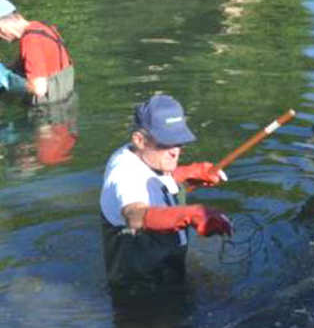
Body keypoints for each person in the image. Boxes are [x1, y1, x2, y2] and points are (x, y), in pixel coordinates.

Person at [99, 94, 233, 289]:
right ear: (139, 140)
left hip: (167, 267)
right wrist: (191, 215)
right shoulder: (124, 174)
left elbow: (153, 180)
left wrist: (187, 174)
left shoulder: (146, 156)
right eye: (165, 143)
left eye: (179, 142)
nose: (175, 152)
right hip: (141, 288)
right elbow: (134, 215)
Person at [0, 0, 74, 105]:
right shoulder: (40, 27)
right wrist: (0, 68)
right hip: (67, 99)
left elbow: (39, 89)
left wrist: (7, 79)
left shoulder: (30, 41)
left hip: (49, 110)